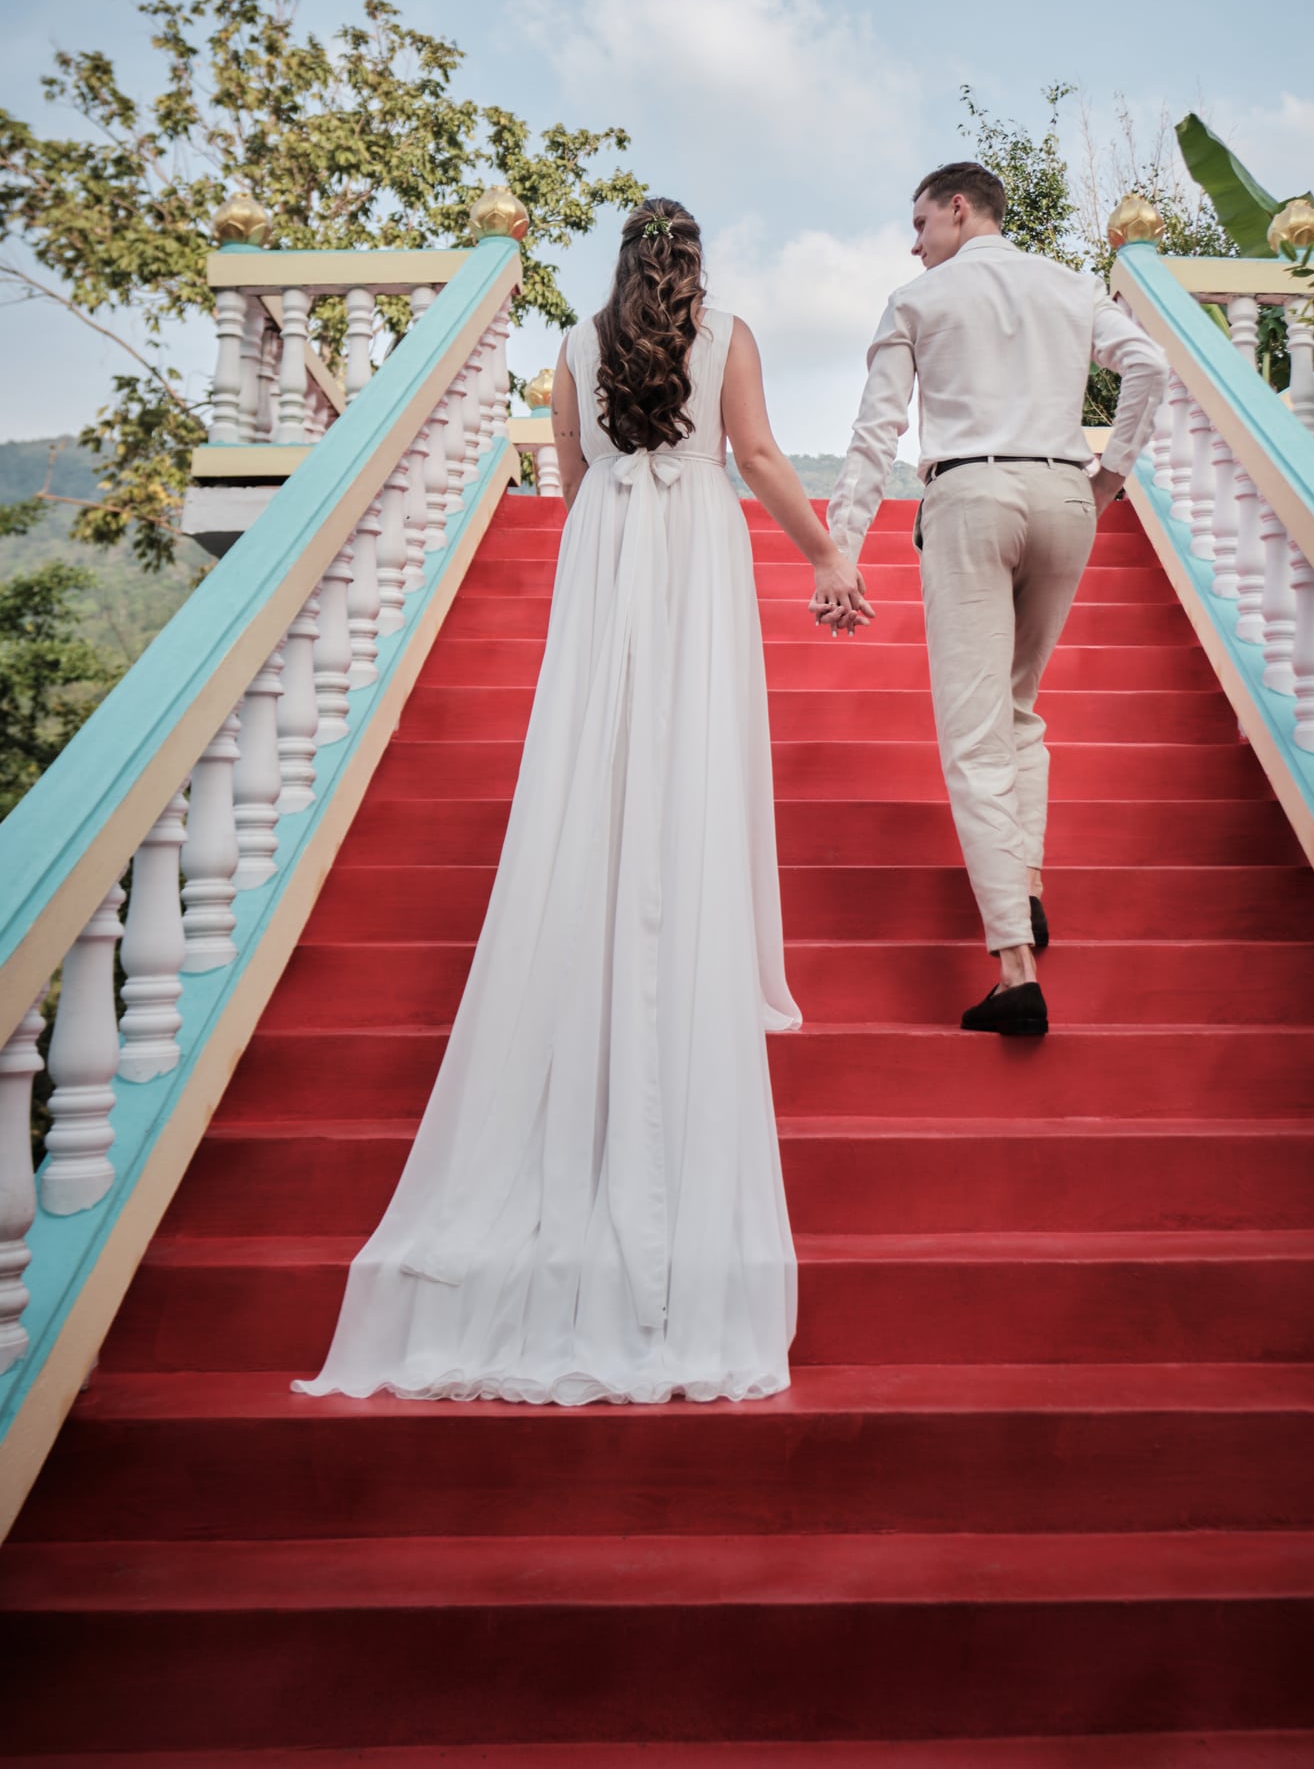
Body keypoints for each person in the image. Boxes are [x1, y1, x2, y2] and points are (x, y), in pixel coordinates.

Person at [297, 198, 868, 1406]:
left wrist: (615, 536)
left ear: (620, 265)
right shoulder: (733, 333)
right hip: (696, 551)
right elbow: (758, 456)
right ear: (697, 262)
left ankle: (600, 896)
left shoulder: (570, 344)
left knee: (596, 754)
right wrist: (824, 555)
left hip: (608, 552)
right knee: (693, 741)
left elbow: (568, 482)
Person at [823, 162, 1166, 1037]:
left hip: (972, 496)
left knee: (973, 737)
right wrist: (1111, 475)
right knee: (1018, 713)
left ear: (957, 208)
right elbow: (1148, 365)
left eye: (920, 222)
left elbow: (876, 432)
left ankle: (1014, 967)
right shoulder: (1069, 285)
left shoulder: (916, 300)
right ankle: (1030, 886)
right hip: (1062, 494)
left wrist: (842, 546)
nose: (913, 242)